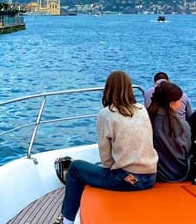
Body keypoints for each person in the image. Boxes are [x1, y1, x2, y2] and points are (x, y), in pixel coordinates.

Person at [55, 70, 157, 224]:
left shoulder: (106, 114)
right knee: (95, 168)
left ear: (108, 89)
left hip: (127, 180)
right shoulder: (142, 110)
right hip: (150, 177)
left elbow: (106, 160)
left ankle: (67, 220)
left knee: (76, 168)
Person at [147, 80, 192, 182]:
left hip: (155, 174)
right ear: (171, 104)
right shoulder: (182, 126)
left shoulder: (146, 121)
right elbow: (187, 150)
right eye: (179, 101)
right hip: (180, 174)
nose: (181, 104)